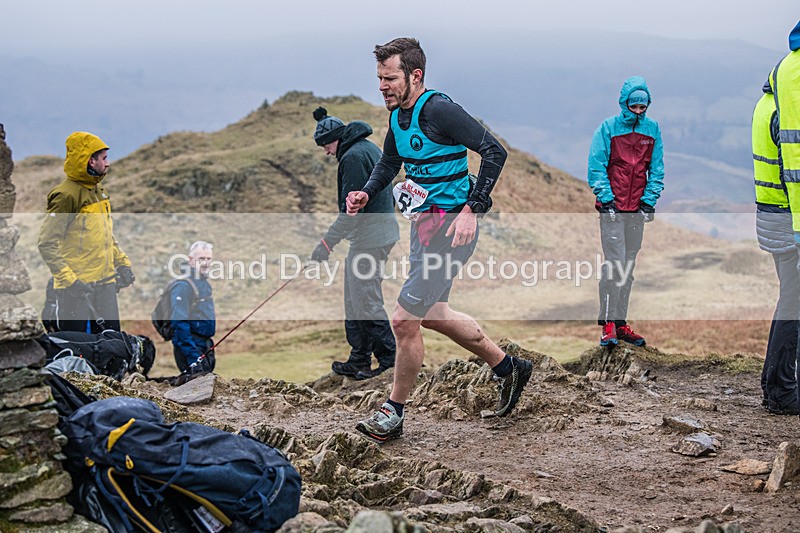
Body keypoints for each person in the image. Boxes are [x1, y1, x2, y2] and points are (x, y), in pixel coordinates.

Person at [345, 37, 533, 442]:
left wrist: (472, 209)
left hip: (452, 232)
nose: (382, 86)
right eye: (379, 79)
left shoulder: (440, 109)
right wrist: (365, 191)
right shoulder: (397, 116)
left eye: (390, 78)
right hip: (425, 228)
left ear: (415, 75)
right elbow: (391, 161)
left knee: (403, 321)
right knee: (432, 314)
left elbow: (493, 151)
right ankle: (509, 368)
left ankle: (392, 413)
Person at [309, 107, 400, 380]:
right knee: (355, 297)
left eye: (326, 145)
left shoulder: (352, 157)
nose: (326, 151)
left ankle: (391, 360)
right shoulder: (367, 149)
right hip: (376, 236)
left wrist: (326, 244)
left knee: (366, 300)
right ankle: (359, 358)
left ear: (336, 138)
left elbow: (351, 210)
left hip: (371, 239)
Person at [587, 76, 664, 347]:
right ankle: (607, 325)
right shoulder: (608, 129)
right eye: (634, 107)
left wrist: (649, 201)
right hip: (613, 207)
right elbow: (596, 166)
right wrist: (606, 200)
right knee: (615, 263)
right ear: (625, 103)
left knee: (628, 266)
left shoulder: (653, 130)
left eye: (643, 107)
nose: (639, 112)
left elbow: (657, 168)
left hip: (636, 208)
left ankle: (621, 324)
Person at [38, 131, 135, 334]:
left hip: (105, 285)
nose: (108, 163)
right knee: (76, 352)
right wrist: (70, 281)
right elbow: (46, 243)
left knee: (113, 349)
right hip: (75, 290)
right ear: (91, 161)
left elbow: (106, 236)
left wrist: (123, 264)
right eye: (104, 158)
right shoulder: (65, 195)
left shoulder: (99, 191)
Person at [764, 20, 800, 414]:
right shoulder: (791, 88)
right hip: (788, 219)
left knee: (790, 300)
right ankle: (781, 391)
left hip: (778, 215)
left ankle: (777, 387)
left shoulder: (777, 90)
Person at [171, 241, 216, 374]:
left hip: (205, 346)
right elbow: (179, 324)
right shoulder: (183, 286)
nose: (206, 262)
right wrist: (193, 358)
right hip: (191, 349)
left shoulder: (203, 283)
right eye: (201, 259)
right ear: (191, 260)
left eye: (208, 259)